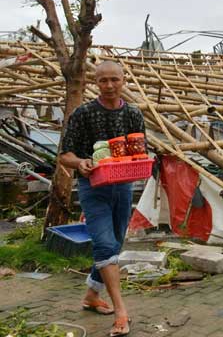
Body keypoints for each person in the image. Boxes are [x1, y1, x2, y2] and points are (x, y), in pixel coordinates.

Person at [59, 61, 144, 337]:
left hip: (122, 186)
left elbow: (141, 150)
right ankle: (121, 311)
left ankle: (91, 296)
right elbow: (64, 155)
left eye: (114, 80)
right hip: (92, 187)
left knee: (116, 242)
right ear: (95, 82)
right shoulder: (83, 114)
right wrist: (80, 162)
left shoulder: (132, 114)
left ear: (123, 80)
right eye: (103, 80)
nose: (109, 86)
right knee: (105, 243)